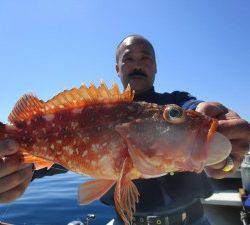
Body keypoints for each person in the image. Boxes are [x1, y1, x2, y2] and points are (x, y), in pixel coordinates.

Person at [0, 35, 249, 225]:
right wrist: (11, 172)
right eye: (128, 58)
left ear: (155, 67)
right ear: (118, 69)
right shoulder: (89, 118)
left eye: (145, 57)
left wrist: (227, 159)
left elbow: (195, 109)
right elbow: (38, 164)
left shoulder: (178, 99)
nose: (137, 64)